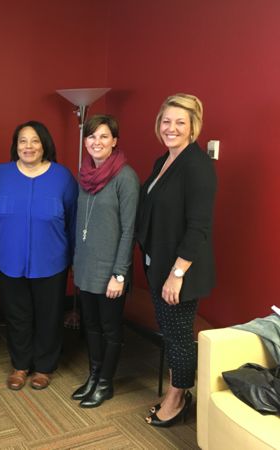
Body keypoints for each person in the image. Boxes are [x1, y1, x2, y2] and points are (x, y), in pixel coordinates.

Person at [136, 93, 216, 427]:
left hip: (180, 272)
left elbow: (199, 227)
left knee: (180, 337)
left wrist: (177, 273)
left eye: (180, 122)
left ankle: (178, 397)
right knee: (171, 333)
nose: (171, 128)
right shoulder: (164, 160)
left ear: (193, 127)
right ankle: (178, 389)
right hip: (159, 266)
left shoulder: (197, 167)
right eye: (166, 121)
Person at [0, 121, 78, 391]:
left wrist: (74, 258)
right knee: (17, 315)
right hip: (8, 259)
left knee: (49, 315)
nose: (28, 146)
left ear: (45, 145)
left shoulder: (63, 177)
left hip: (51, 261)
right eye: (23, 141)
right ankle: (20, 365)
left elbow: (73, 220)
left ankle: (44, 367)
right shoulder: (0, 175)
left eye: (35, 141)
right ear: (15, 146)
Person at [71, 115, 139, 408]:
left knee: (110, 329)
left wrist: (120, 274)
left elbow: (129, 230)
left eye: (103, 137)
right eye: (91, 137)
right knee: (92, 326)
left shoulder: (126, 177)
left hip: (112, 272)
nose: (96, 143)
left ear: (114, 141)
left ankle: (106, 383)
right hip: (86, 267)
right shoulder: (85, 175)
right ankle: (94, 374)